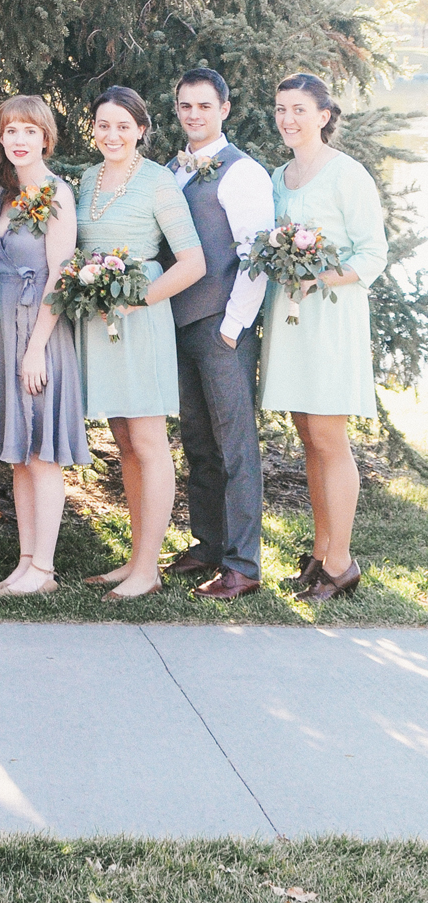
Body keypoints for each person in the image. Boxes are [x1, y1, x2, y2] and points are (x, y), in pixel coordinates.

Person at [76, 86, 205, 599]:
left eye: (123, 126)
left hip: (140, 316)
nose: (112, 135)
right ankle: (134, 560)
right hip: (99, 317)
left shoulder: (157, 181)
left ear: (142, 130)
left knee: (148, 443)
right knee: (124, 440)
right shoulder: (88, 179)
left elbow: (193, 263)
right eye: (103, 125)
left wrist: (138, 299)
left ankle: (148, 569)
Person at [263, 71, 387, 604]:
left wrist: (319, 278)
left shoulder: (347, 173)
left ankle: (341, 563)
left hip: (331, 315)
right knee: (307, 434)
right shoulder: (279, 176)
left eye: (299, 109)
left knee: (329, 437)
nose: (288, 118)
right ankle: (319, 553)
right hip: (291, 316)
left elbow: (373, 253)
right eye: (281, 109)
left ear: (324, 115)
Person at [164, 67, 274, 601]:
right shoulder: (172, 169)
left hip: (222, 328)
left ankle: (242, 565)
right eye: (185, 105)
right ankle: (208, 544)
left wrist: (233, 328)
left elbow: (257, 257)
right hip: (180, 324)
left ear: (224, 109)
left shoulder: (243, 172)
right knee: (198, 441)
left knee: (235, 447)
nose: (194, 114)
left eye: (204, 105)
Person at [0, 95, 90, 597]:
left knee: (42, 451)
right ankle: (26, 563)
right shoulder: (5, 195)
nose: (19, 140)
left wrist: (35, 349)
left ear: (46, 138)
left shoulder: (57, 193)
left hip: (39, 331)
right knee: (20, 455)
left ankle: (44, 569)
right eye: (11, 131)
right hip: (4, 325)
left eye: (29, 131)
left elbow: (59, 276)